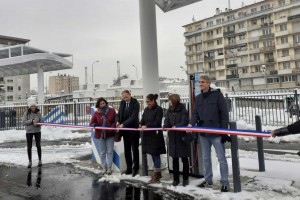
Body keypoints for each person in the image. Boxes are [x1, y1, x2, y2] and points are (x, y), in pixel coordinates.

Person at [188, 75, 230, 192]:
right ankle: (208, 180)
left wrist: (224, 131)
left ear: (208, 83)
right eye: (200, 82)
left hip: (216, 132)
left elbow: (224, 114)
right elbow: (195, 114)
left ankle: (225, 183)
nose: (200, 84)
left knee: (221, 159)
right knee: (206, 159)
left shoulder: (217, 95)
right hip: (203, 133)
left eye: (203, 82)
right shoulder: (198, 98)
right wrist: (191, 124)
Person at [163, 94, 190, 187]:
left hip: (181, 137)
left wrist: (177, 126)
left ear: (174, 100)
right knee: (174, 160)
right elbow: (166, 121)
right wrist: (165, 127)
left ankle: (185, 179)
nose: (169, 102)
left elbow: (184, 121)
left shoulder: (183, 110)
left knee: (184, 159)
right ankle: (176, 179)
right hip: (172, 138)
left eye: (170, 100)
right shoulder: (168, 111)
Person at [139, 94, 166, 184]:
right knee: (152, 154)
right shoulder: (146, 109)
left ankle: (157, 174)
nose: (147, 104)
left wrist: (146, 125)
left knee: (156, 154)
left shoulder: (159, 109)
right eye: (146, 102)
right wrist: (140, 124)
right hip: (148, 135)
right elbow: (143, 119)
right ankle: (157, 173)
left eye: (148, 102)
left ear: (153, 101)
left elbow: (157, 122)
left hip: (155, 135)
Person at [90, 97, 117, 175]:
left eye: (103, 103)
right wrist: (95, 124)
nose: (102, 105)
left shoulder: (112, 111)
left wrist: (112, 127)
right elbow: (91, 123)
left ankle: (109, 168)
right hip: (100, 135)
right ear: (98, 105)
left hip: (110, 134)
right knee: (102, 152)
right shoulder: (96, 113)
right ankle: (104, 168)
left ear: (106, 103)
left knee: (110, 151)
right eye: (101, 104)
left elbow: (115, 120)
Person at [116, 90, 140, 176]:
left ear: (130, 95)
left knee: (135, 150)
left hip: (133, 130)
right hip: (125, 131)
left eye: (126, 97)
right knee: (127, 150)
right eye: (123, 97)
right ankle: (129, 168)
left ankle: (135, 169)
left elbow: (134, 117)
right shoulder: (122, 103)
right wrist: (118, 121)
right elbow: (119, 114)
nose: (125, 99)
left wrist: (124, 124)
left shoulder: (135, 103)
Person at [22, 102, 43, 168]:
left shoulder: (38, 113)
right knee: (29, 147)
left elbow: (42, 121)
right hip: (29, 132)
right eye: (32, 106)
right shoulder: (26, 113)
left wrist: (38, 124)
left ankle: (40, 160)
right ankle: (30, 161)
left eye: (34, 106)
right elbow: (24, 122)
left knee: (38, 145)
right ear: (30, 107)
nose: (33, 107)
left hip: (37, 131)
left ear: (36, 107)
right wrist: (32, 120)